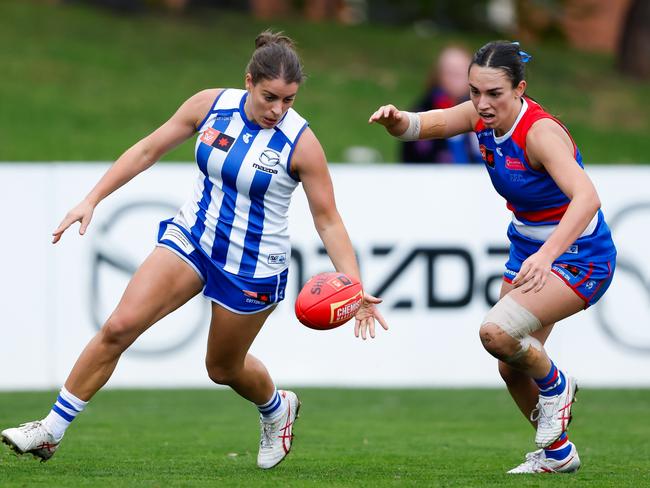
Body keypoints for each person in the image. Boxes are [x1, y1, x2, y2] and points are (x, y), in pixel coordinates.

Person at [1, 30, 387, 469]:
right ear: (248, 81)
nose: (278, 110)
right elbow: (148, 149)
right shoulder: (210, 105)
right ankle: (50, 430)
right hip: (193, 237)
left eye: (289, 100)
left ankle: (277, 407)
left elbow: (328, 219)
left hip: (252, 264)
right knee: (119, 326)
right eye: (270, 97)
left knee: (222, 369)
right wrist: (92, 198)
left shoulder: (302, 144)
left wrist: (354, 288)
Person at [369, 40, 616, 474]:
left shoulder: (538, 132)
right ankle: (558, 455)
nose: (481, 104)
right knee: (510, 367)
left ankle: (558, 386)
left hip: (579, 255)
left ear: (519, 89)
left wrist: (546, 256)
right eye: (474, 92)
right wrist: (396, 121)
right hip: (530, 249)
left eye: (494, 94)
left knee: (495, 334)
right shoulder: (479, 115)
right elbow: (428, 124)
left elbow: (587, 198)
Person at [400, 45, 482, 164]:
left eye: (460, 72)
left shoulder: (484, 109)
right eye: (450, 72)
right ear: (439, 75)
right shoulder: (424, 110)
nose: (455, 78)